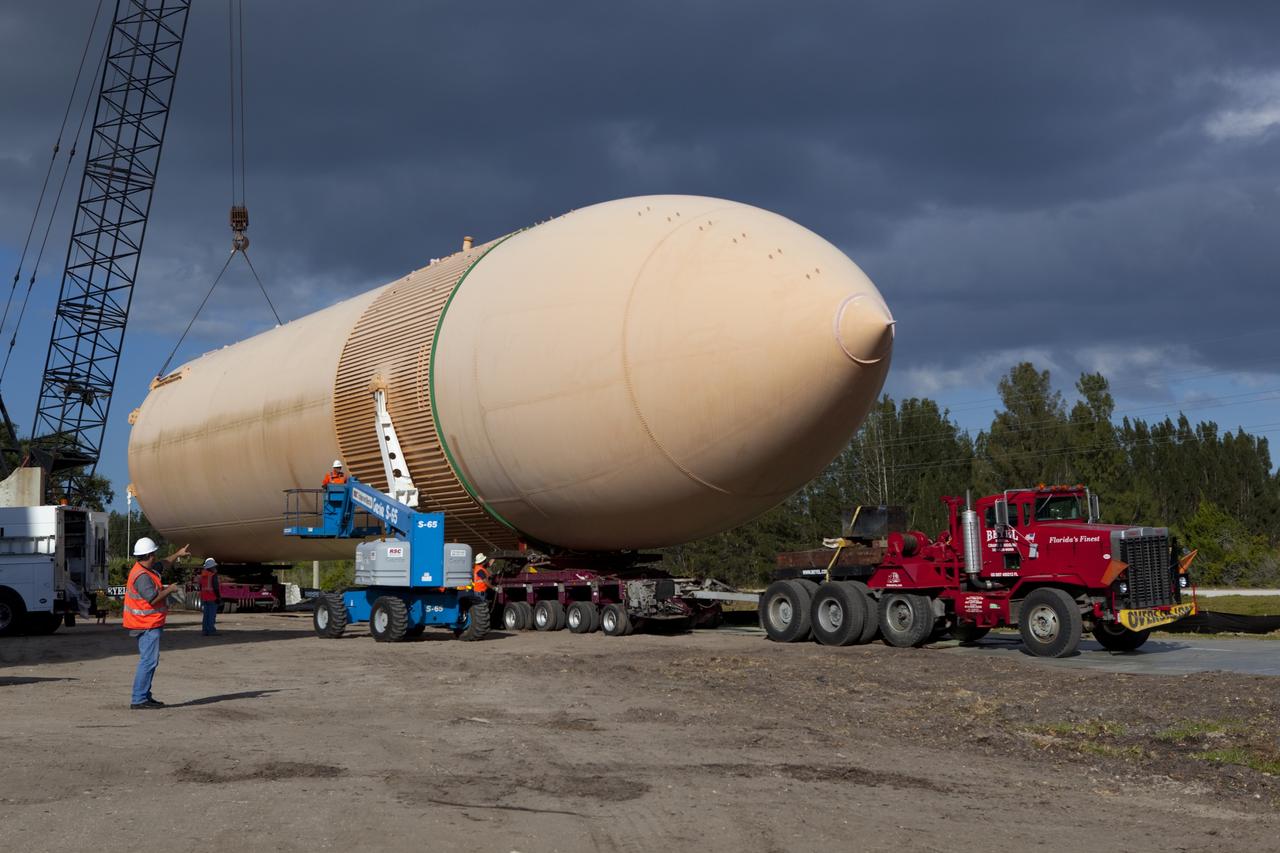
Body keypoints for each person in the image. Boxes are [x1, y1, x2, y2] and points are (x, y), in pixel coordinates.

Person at [123, 537, 190, 710]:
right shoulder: (142, 576)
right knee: (148, 661)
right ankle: (139, 699)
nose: (156, 556)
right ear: (149, 555)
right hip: (145, 624)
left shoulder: (146, 569)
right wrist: (170, 590)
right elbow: (152, 599)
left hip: (147, 623)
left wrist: (178, 554)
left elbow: (164, 563)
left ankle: (144, 696)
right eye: (154, 553)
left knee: (150, 660)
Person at [198, 557, 222, 636]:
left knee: (206, 615)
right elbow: (215, 587)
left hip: (205, 598)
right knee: (212, 615)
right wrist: (218, 597)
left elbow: (201, 586)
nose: (215, 567)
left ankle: (205, 631)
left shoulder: (202, 575)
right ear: (211, 567)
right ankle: (211, 631)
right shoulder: (213, 575)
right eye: (214, 566)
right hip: (212, 597)